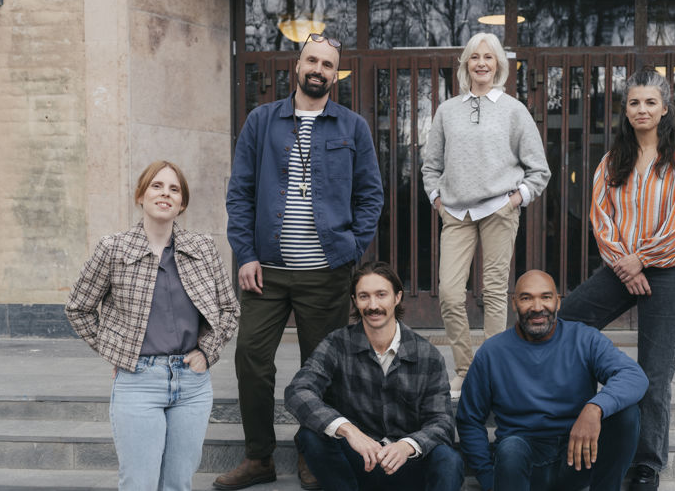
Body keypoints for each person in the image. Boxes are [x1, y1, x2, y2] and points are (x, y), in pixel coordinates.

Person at [216, 33, 384, 490]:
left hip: (326, 274)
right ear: (297, 65)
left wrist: (350, 251)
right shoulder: (261, 121)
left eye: (328, 64)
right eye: (312, 60)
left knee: (322, 369)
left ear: (336, 74)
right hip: (265, 271)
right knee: (251, 358)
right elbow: (241, 192)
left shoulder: (352, 127)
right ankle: (258, 458)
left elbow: (371, 195)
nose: (318, 69)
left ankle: (313, 452)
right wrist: (245, 254)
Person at [558, 69, 675, 491]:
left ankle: (645, 464)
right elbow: (600, 218)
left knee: (655, 372)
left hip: (670, 268)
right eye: (634, 103)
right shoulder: (612, 160)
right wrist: (626, 265)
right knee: (566, 324)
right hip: (621, 266)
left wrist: (642, 261)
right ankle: (566, 420)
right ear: (625, 111)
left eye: (650, 103)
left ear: (664, 108)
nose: (642, 110)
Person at [65, 160, 240, 491]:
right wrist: (116, 350)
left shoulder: (202, 248)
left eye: (174, 189)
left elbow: (228, 308)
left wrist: (208, 351)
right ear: (141, 196)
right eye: (157, 186)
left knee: (178, 483)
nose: (165, 194)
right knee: (139, 484)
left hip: (192, 384)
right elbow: (79, 308)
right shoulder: (113, 248)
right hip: (139, 381)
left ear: (182, 203)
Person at [420, 32, 550, 398]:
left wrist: (516, 200)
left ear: (498, 65)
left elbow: (539, 169)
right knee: (448, 292)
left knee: (494, 293)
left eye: (488, 57)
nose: (481, 63)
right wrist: (437, 200)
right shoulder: (448, 110)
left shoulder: (514, 110)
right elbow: (431, 166)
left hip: (498, 209)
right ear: (465, 64)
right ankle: (464, 368)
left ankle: (491, 374)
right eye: (474, 57)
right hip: (456, 213)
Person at [456, 270, 647, 491]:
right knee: (511, 448)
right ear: (514, 303)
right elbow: (469, 419)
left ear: (558, 302)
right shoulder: (492, 352)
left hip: (578, 456)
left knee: (627, 414)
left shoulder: (584, 338)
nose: (537, 307)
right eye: (527, 298)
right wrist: (488, 477)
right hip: (523, 464)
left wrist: (595, 407)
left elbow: (633, 376)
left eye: (546, 297)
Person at [285, 261, 463, 491]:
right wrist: (348, 430)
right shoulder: (337, 344)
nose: (373, 305)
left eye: (381, 295)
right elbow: (298, 391)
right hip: (359, 464)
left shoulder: (427, 354)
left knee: (448, 459)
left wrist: (407, 445)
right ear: (354, 301)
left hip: (406, 465)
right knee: (311, 436)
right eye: (364, 296)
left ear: (397, 297)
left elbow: (442, 423)